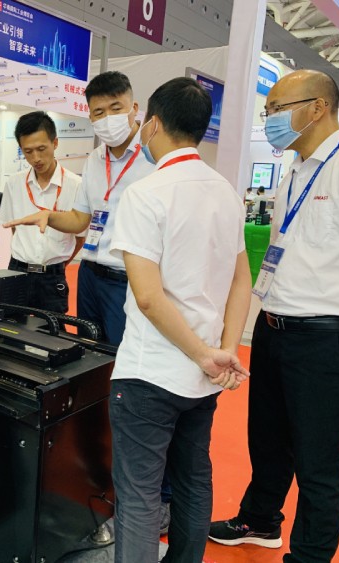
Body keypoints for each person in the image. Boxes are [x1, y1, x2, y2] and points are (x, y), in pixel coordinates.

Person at [209, 70, 339, 562]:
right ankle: (260, 520)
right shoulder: (295, 169)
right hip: (274, 326)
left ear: (318, 107)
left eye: (277, 109)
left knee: (319, 462)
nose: (270, 120)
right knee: (267, 439)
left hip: (327, 337)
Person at [3, 71, 172, 532]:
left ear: (134, 108)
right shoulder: (96, 160)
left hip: (131, 280)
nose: (107, 119)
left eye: (116, 109)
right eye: (98, 112)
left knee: (134, 379)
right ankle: (95, 468)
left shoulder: (155, 156)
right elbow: (83, 219)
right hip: (93, 278)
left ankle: (147, 492)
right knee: (92, 370)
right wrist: (49, 216)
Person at [107, 77, 251, 563]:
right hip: (202, 376)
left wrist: (206, 355)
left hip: (152, 370)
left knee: (139, 494)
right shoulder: (227, 193)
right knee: (193, 479)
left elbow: (148, 298)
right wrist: (223, 350)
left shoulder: (146, 193)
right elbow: (241, 282)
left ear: (153, 124)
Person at [0, 111, 84, 313]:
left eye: (41, 149)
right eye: (28, 151)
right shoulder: (14, 183)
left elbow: (80, 237)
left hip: (52, 278)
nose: (36, 158)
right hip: (17, 271)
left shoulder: (76, 185)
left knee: (52, 330)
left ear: (55, 143)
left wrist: (58, 266)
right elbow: (15, 229)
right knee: (11, 327)